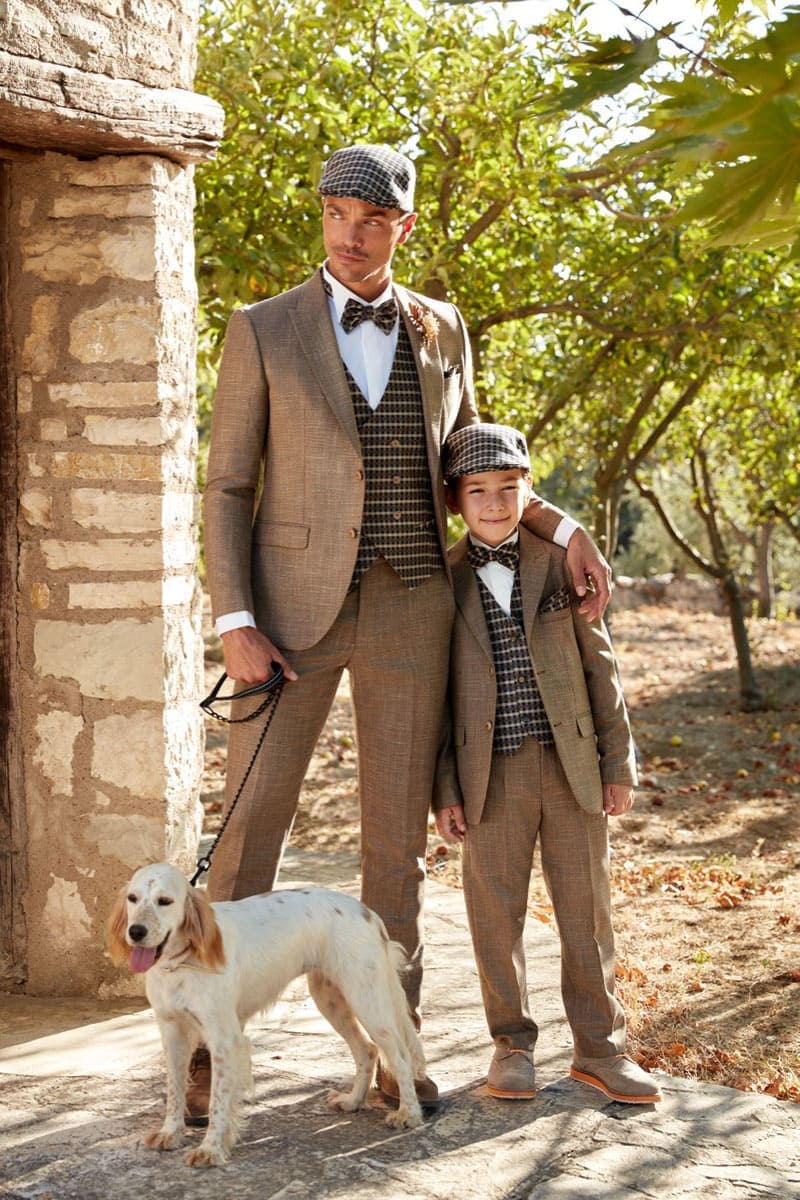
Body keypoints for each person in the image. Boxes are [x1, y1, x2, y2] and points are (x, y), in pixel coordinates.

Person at [198, 144, 611, 1119]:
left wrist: (562, 524)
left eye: (371, 218)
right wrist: (234, 620)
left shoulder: (442, 327)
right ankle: (210, 1050)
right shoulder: (260, 329)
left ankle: (396, 1052)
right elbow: (225, 486)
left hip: (413, 604)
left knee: (392, 847)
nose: (350, 233)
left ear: (402, 227)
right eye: (336, 213)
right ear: (322, 215)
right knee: (250, 833)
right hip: (284, 620)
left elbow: (476, 466)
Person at [434, 423, 661, 1104]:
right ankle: (511, 1043)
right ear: (456, 500)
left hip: (572, 768)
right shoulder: (442, 582)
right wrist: (444, 785)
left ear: (528, 492)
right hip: (488, 775)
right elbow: (435, 700)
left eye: (509, 489)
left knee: (586, 912)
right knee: (493, 914)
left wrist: (617, 765)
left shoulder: (561, 563)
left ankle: (601, 1048)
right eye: (479, 492)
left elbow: (603, 671)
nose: (496, 504)